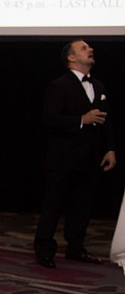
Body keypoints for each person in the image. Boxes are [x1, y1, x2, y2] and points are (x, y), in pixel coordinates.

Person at [34, 39, 116, 268]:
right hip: (62, 157)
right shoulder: (59, 86)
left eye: (89, 48)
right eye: (83, 48)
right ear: (71, 58)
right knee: (53, 204)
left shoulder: (98, 86)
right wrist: (81, 120)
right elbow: (50, 120)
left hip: (90, 157)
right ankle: (44, 250)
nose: (90, 50)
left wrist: (110, 148)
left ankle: (76, 248)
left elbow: (106, 121)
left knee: (82, 205)